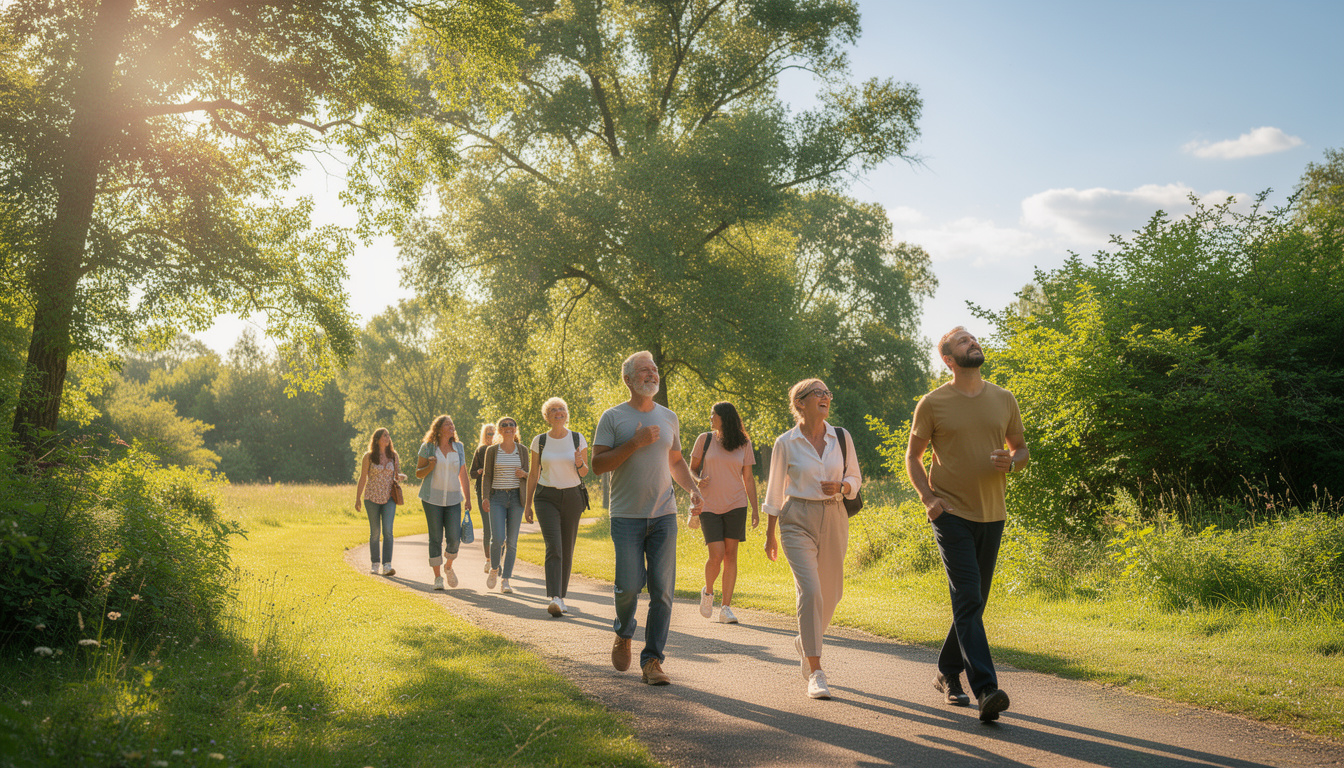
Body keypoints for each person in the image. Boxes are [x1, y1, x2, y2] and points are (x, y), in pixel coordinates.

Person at [905, 326, 1028, 723]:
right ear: (948, 359)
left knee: (973, 602)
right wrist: (929, 500)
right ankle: (987, 689)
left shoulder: (1004, 398)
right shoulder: (933, 403)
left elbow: (1021, 449)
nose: (972, 343)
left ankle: (946, 672)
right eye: (963, 342)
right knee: (969, 597)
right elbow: (913, 457)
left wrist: (1013, 461)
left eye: (973, 339)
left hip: (993, 513)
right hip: (951, 513)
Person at [592, 351, 702, 686]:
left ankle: (652, 661)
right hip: (626, 516)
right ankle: (624, 632)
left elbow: (676, 461)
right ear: (628, 379)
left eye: (654, 370)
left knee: (662, 591)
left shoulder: (669, 417)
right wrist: (635, 443)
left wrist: (693, 489)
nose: (652, 374)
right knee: (627, 587)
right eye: (644, 370)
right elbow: (598, 466)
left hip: (664, 515)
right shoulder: (613, 418)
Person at [762, 379, 861, 699]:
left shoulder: (841, 437)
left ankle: (806, 638)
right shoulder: (785, 443)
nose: (826, 397)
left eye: (828, 393)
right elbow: (775, 490)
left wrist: (843, 487)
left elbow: (855, 477)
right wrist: (770, 534)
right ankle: (816, 670)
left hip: (834, 516)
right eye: (818, 392)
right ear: (800, 403)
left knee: (832, 592)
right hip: (796, 519)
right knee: (811, 589)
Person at [687, 401, 760, 624]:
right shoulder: (705, 439)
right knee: (716, 555)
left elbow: (748, 478)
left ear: (724, 417)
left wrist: (755, 509)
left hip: (736, 504)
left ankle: (726, 607)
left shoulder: (744, 443)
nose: (710, 418)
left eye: (713, 415)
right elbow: (691, 469)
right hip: (709, 504)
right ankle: (708, 592)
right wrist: (698, 480)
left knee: (731, 556)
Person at [524, 397, 590, 617]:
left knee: (567, 547)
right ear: (547, 416)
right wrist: (527, 505)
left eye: (562, 408)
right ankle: (554, 598)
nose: (558, 412)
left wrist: (580, 461)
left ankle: (561, 596)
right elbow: (533, 474)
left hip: (573, 496)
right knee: (554, 546)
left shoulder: (577, 438)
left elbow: (584, 472)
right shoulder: (539, 441)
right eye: (553, 410)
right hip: (546, 497)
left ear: (566, 413)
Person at [415, 415, 472, 591]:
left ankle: (448, 566)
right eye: (447, 424)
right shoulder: (428, 447)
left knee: (454, 538)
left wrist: (468, 498)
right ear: (439, 429)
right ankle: (438, 577)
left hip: (454, 498)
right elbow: (418, 473)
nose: (451, 427)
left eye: (452, 424)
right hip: (432, 499)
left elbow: (463, 474)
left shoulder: (459, 448)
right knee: (435, 538)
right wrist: (430, 467)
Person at [482, 415, 529, 594]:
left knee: (512, 542)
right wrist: (485, 497)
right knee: (498, 539)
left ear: (515, 429)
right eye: (504, 425)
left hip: (517, 498)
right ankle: (495, 568)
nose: (508, 427)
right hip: (497, 498)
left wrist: (523, 474)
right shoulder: (492, 451)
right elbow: (486, 475)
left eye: (511, 424)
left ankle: (506, 580)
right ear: (499, 430)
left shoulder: (522, 450)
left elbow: (529, 473)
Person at [354, 427, 406, 576]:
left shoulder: (394, 456)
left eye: (388, 435)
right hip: (371, 498)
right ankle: (375, 564)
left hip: (389, 498)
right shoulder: (369, 457)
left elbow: (396, 475)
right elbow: (363, 477)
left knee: (388, 531)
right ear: (376, 440)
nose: (387, 438)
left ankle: (387, 565)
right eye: (384, 436)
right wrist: (358, 498)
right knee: (375, 532)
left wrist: (400, 477)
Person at [470, 423, 497, 572]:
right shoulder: (480, 450)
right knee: (488, 526)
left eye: (493, 433)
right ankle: (488, 560)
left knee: (499, 527)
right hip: (483, 492)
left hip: (499, 491)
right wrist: (479, 471)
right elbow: (472, 473)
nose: (491, 436)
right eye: (488, 434)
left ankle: (497, 559)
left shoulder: (500, 450)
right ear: (484, 435)